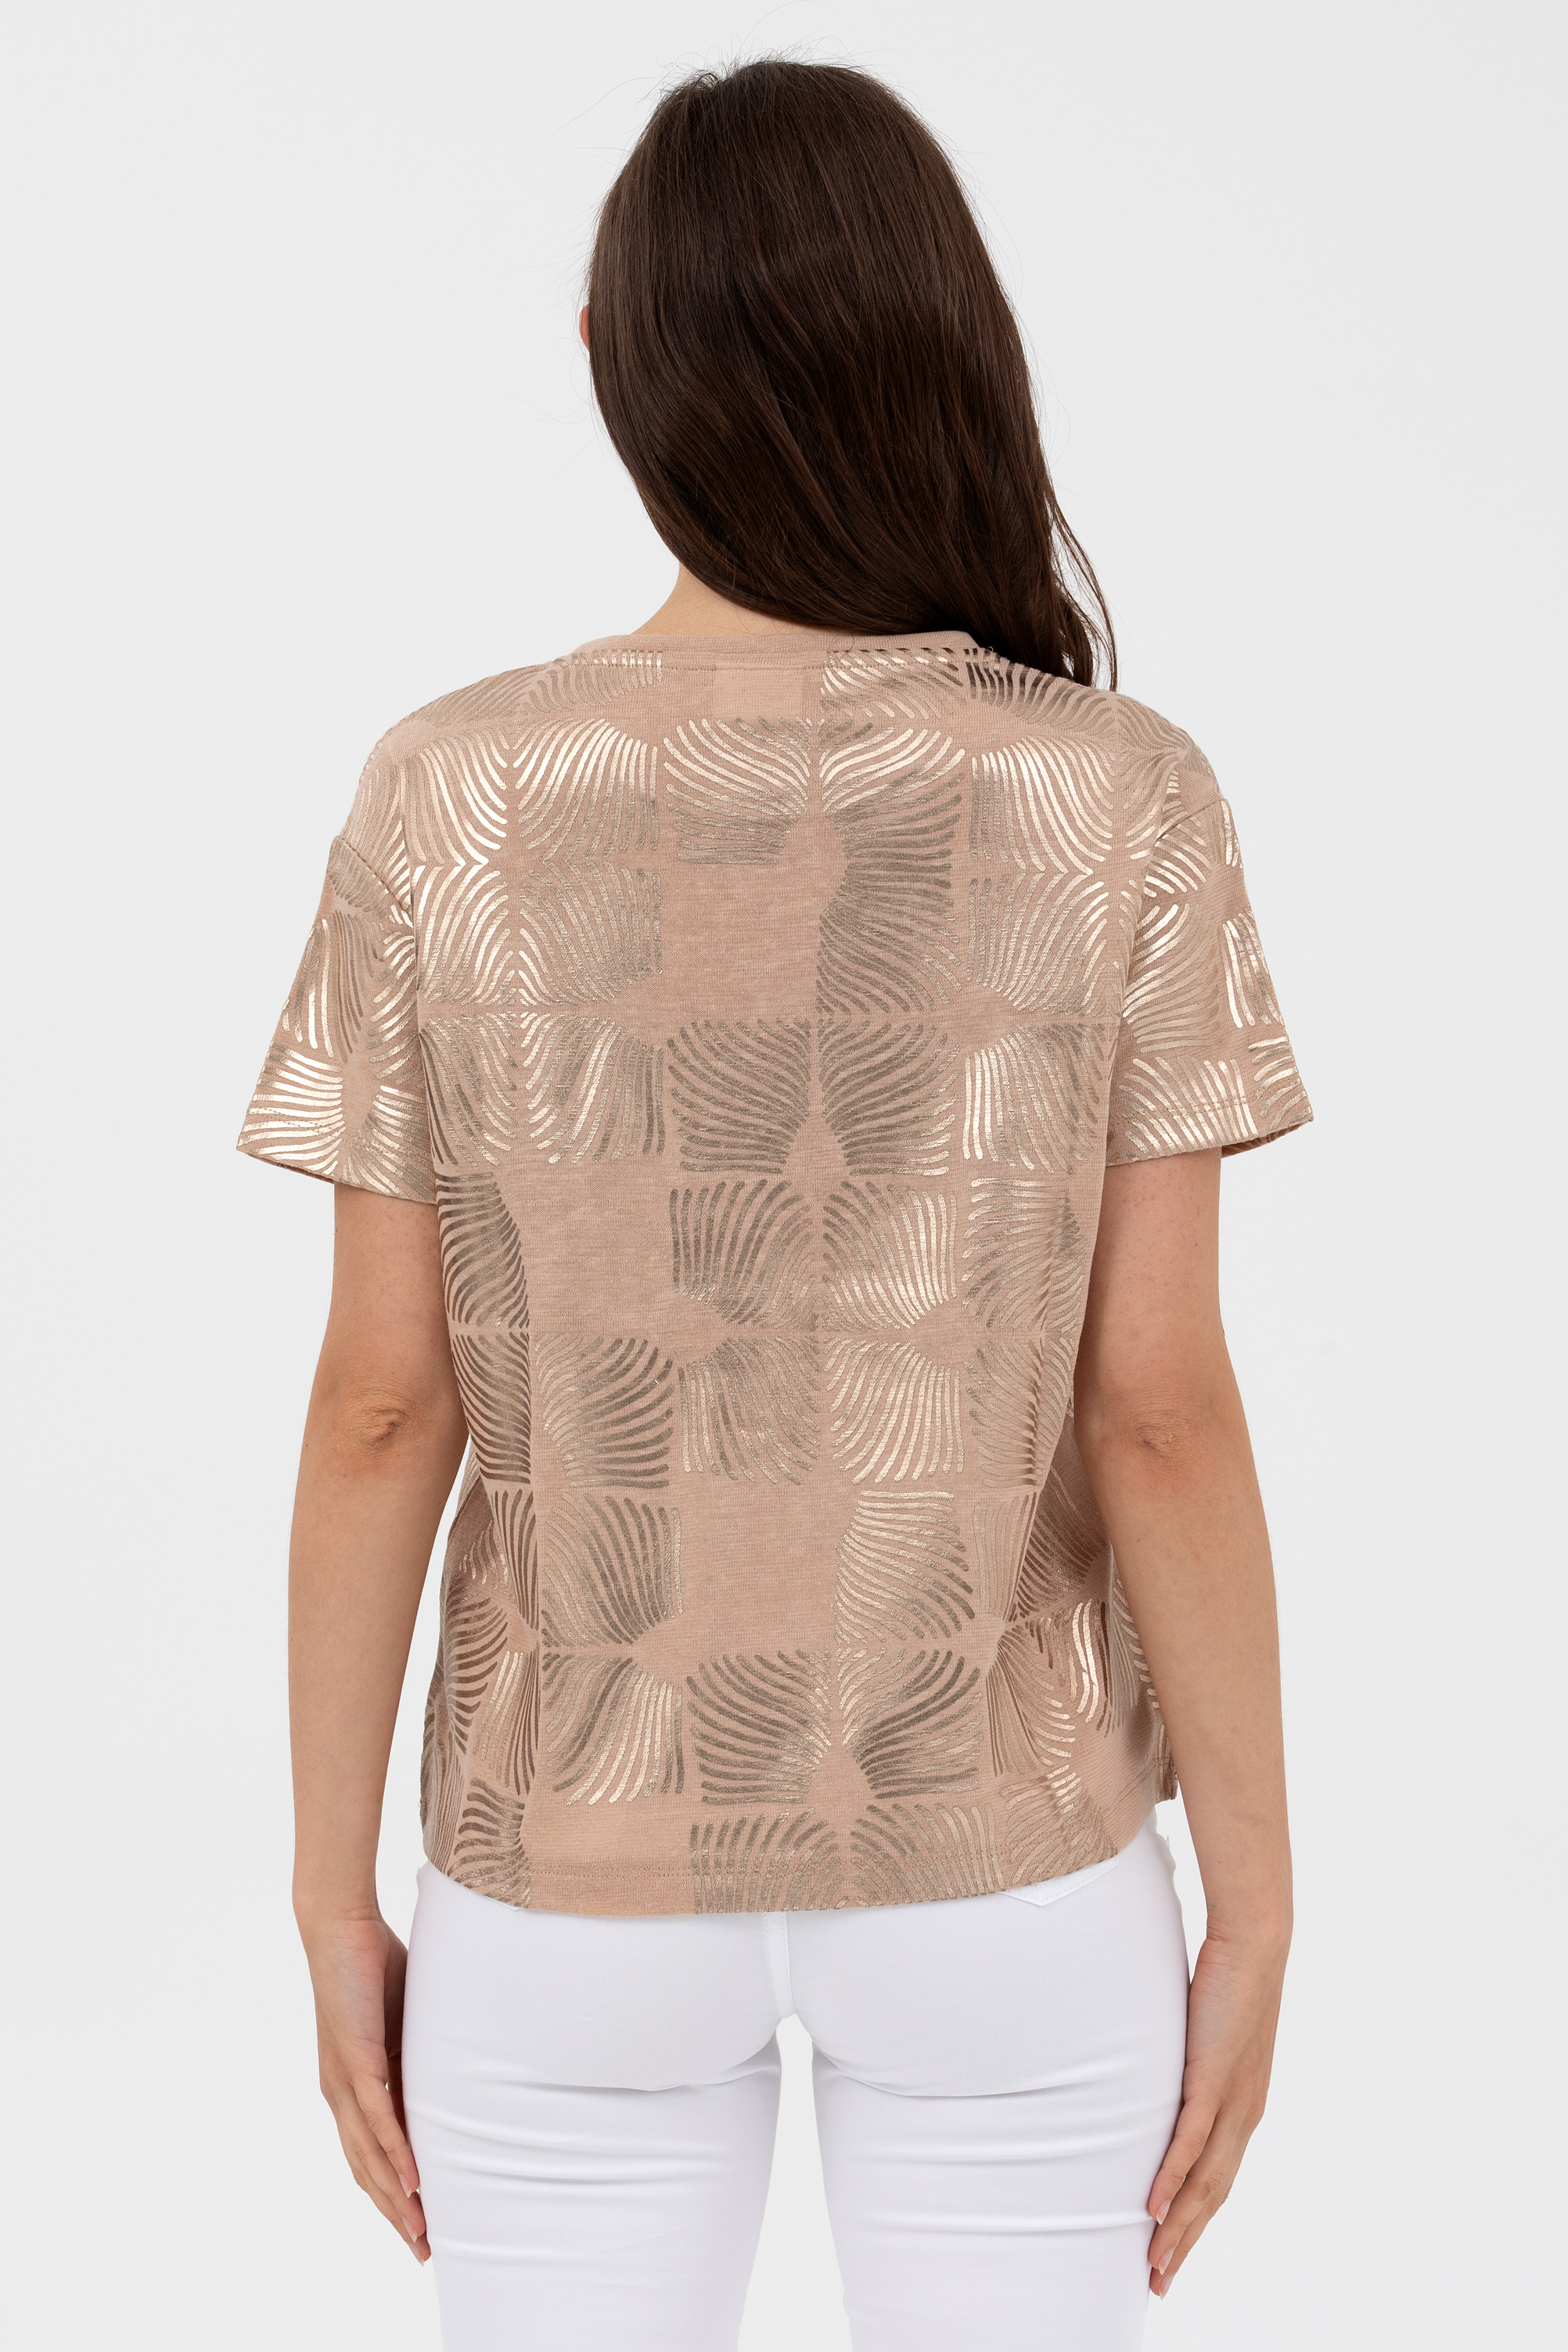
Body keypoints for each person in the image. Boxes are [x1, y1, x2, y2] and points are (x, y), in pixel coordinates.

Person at [239, 56, 1311, 2352]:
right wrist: (1255, 1897)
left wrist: (331, 1894)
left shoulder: (449, 796)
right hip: (1007, 1867)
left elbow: (378, 1406)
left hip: (566, 1870)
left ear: (613, 367)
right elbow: (1154, 1410)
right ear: (950, 343)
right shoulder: (1118, 797)